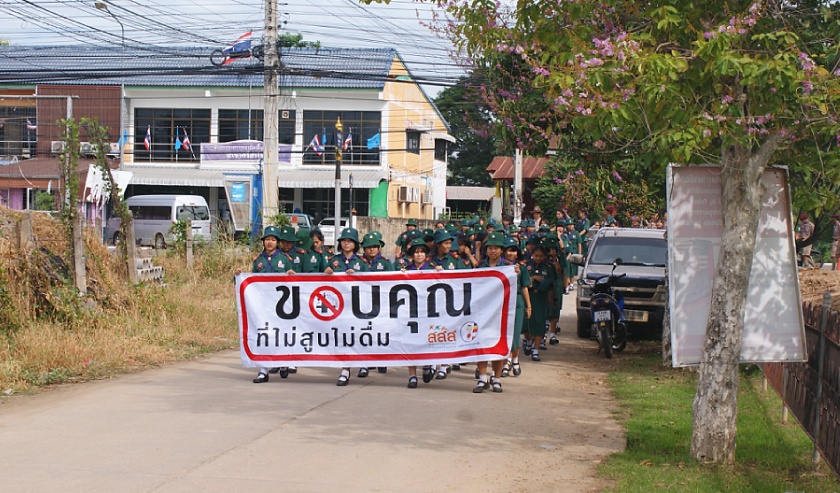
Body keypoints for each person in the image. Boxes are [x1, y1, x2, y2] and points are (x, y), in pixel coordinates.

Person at [241, 225, 302, 384]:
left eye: (273, 240)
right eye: (267, 239)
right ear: (263, 241)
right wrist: (240, 276)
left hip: (281, 304)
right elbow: (252, 282)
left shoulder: (284, 259)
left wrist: (290, 275)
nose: (270, 242)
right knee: (263, 334)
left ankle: (283, 361)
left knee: (281, 332)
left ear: (277, 242)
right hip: (262, 304)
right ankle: (263, 370)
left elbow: (292, 282)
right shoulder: (258, 260)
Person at [324, 227, 369, 386]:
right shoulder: (333, 260)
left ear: (355, 244)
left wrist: (357, 276)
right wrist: (326, 272)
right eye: (344, 241)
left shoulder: (361, 262)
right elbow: (323, 283)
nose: (346, 244)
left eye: (350, 241)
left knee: (357, 335)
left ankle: (359, 363)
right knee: (343, 336)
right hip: (338, 307)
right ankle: (345, 368)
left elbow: (370, 283)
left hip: (356, 306)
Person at [473, 232, 511, 393]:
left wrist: (516, 272)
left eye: (496, 248)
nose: (493, 251)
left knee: (498, 345)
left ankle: (497, 378)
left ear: (501, 250)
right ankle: (482, 378)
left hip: (501, 312)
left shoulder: (508, 267)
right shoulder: (480, 267)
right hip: (482, 312)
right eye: (490, 248)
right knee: (481, 344)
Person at [401, 238, 436, 388]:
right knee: (411, 342)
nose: (419, 255)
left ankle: (427, 364)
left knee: (428, 339)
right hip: (411, 311)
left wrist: (441, 273)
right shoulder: (406, 270)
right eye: (416, 252)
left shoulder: (432, 268)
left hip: (428, 310)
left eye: (422, 252)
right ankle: (412, 375)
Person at [502, 236, 531, 378]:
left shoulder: (522, 268)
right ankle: (506, 361)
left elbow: (525, 288)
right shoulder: (500, 267)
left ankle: (515, 360)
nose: (511, 254)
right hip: (503, 301)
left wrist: (528, 306)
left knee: (516, 332)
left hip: (518, 300)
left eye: (513, 251)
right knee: (505, 332)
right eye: (508, 250)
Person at [523, 244, 556, 362]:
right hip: (528, 296)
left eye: (541, 256)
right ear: (532, 255)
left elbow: (551, 282)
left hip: (541, 297)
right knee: (526, 324)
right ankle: (528, 341)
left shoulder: (548, 267)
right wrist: (533, 278)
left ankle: (535, 350)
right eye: (536, 256)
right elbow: (522, 280)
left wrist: (552, 298)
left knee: (540, 323)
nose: (538, 258)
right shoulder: (525, 266)